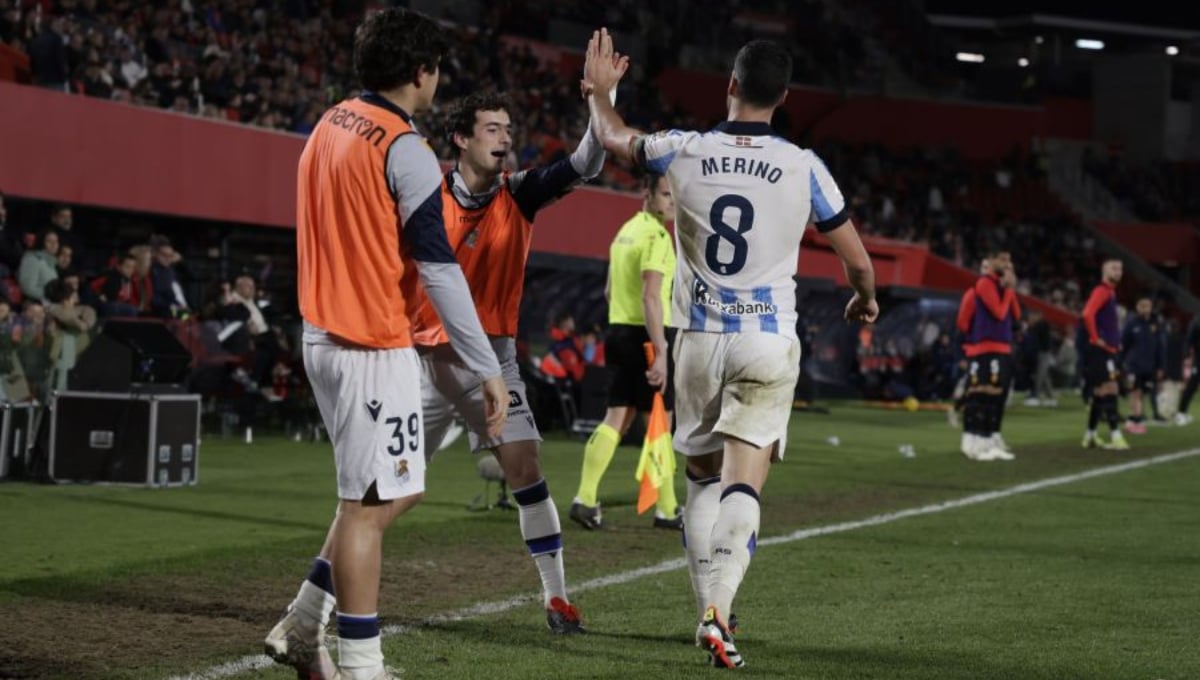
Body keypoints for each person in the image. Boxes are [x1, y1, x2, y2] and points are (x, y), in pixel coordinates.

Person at [583, 31, 878, 668]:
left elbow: (613, 137)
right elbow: (857, 259)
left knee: (700, 481)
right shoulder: (805, 165)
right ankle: (720, 610)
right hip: (767, 340)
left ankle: (705, 610)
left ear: (732, 86)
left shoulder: (683, 150)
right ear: (784, 97)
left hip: (699, 341)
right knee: (745, 482)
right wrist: (865, 298)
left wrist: (601, 92)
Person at [262, 10, 507, 680]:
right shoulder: (405, 147)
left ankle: (306, 620)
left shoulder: (328, 123)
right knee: (371, 508)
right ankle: (362, 666)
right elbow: (438, 265)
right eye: (436, 70)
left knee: (385, 493)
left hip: (324, 335)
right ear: (421, 72)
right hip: (371, 342)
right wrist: (487, 366)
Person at [405, 88, 606, 633]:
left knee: (527, 467)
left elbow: (586, 162)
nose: (505, 137)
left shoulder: (517, 195)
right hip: (426, 361)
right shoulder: (422, 195)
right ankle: (319, 599)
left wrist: (599, 98)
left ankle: (556, 599)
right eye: (492, 128)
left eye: (508, 128)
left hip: (492, 360)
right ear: (461, 139)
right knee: (388, 489)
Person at [571, 172, 682, 531]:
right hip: (646, 336)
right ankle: (667, 509)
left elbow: (607, 292)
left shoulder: (625, 232)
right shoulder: (657, 236)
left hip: (618, 329)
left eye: (674, 197)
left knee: (617, 416)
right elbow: (652, 295)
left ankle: (585, 499)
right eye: (665, 194)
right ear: (646, 193)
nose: (672, 203)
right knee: (660, 421)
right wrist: (661, 350)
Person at [955, 250, 1019, 461]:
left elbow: (1015, 315)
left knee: (994, 395)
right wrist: (971, 343)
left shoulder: (999, 287)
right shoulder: (982, 285)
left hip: (1000, 347)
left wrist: (1010, 289)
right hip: (984, 347)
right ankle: (973, 441)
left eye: (1009, 262)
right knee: (981, 394)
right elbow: (996, 314)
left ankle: (988, 438)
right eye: (1003, 261)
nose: (1007, 265)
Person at [1081, 259, 1130, 450]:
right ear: (1104, 270)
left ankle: (1090, 435)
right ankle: (1116, 436)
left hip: (1108, 349)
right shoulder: (1102, 291)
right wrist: (1095, 337)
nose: (1118, 272)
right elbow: (1087, 314)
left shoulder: (1110, 292)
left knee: (1100, 393)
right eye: (1114, 268)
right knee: (1111, 389)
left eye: (1120, 269)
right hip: (1100, 350)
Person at [1120, 295, 1166, 432]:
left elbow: (1160, 347)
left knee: (1142, 393)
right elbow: (1124, 344)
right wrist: (1120, 363)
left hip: (1149, 366)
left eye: (1148, 306)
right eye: (1143, 306)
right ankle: (1137, 422)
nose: (1146, 309)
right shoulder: (1131, 323)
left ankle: (1132, 419)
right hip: (1133, 366)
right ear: (1137, 307)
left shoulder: (1155, 324)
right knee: (1135, 392)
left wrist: (1160, 366)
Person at [17, 230, 59, 303]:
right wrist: (51, 297)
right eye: (49, 241)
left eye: (56, 241)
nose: (54, 244)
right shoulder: (32, 259)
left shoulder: (50, 262)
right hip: (36, 305)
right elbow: (27, 288)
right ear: (41, 242)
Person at [1173, 314, 1199, 425]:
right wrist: (1186, 356)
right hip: (1199, 360)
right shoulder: (1197, 321)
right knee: (1191, 387)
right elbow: (1188, 340)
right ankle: (1181, 413)